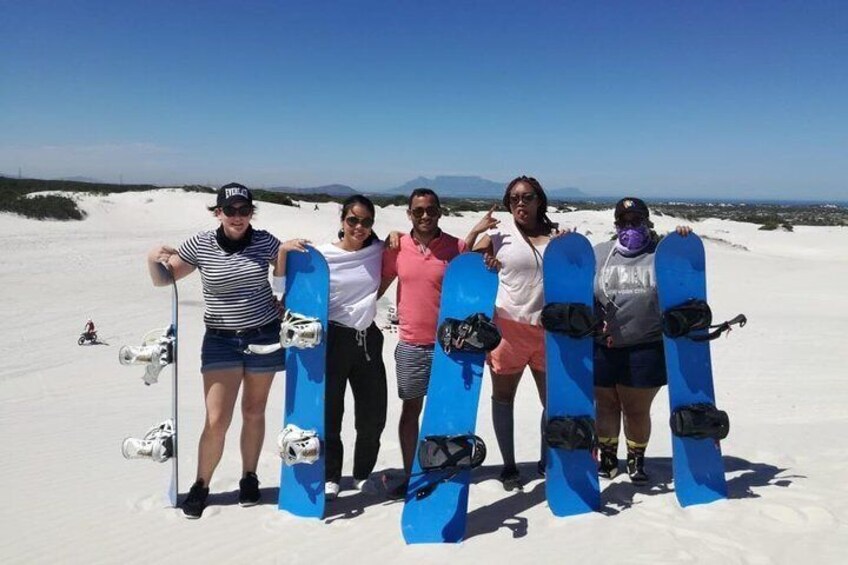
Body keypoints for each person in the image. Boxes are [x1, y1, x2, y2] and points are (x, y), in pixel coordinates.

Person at [146, 182, 304, 518]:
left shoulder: (265, 242)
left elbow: (286, 279)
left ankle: (249, 477)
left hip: (264, 336)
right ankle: (201, 485)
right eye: (229, 210)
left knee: (254, 411)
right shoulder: (201, 244)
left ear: (251, 212)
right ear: (218, 212)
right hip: (220, 340)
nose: (237, 216)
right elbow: (165, 279)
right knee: (217, 419)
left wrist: (286, 255)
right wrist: (152, 258)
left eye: (243, 210)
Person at [466, 176, 558, 491]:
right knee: (504, 398)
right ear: (508, 203)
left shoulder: (555, 236)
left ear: (539, 200)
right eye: (515, 197)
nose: (521, 202)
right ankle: (508, 466)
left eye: (528, 196)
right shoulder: (497, 233)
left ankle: (548, 462)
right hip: (508, 328)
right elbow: (465, 265)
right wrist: (477, 235)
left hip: (547, 331)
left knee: (554, 402)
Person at [593, 197, 690, 484]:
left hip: (645, 347)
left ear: (647, 221)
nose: (630, 226)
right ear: (616, 224)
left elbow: (685, 277)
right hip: (603, 346)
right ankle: (608, 458)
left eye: (636, 220)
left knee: (636, 409)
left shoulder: (661, 255)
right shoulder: (600, 253)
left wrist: (683, 242)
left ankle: (636, 460)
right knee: (607, 406)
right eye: (624, 221)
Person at [379, 188, 467, 498]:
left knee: (445, 413)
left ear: (440, 211)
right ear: (409, 215)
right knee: (410, 411)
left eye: (431, 210)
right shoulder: (398, 245)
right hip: (412, 345)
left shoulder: (456, 247)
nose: (425, 216)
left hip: (450, 348)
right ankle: (411, 472)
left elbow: (474, 280)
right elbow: (379, 284)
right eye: (418, 211)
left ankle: (443, 470)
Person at [317, 195, 387, 500]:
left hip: (368, 339)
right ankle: (331, 475)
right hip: (333, 339)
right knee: (331, 411)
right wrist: (283, 253)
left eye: (366, 221)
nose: (359, 226)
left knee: (372, 414)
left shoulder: (378, 251)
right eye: (353, 220)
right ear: (342, 220)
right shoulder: (322, 256)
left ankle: (362, 474)